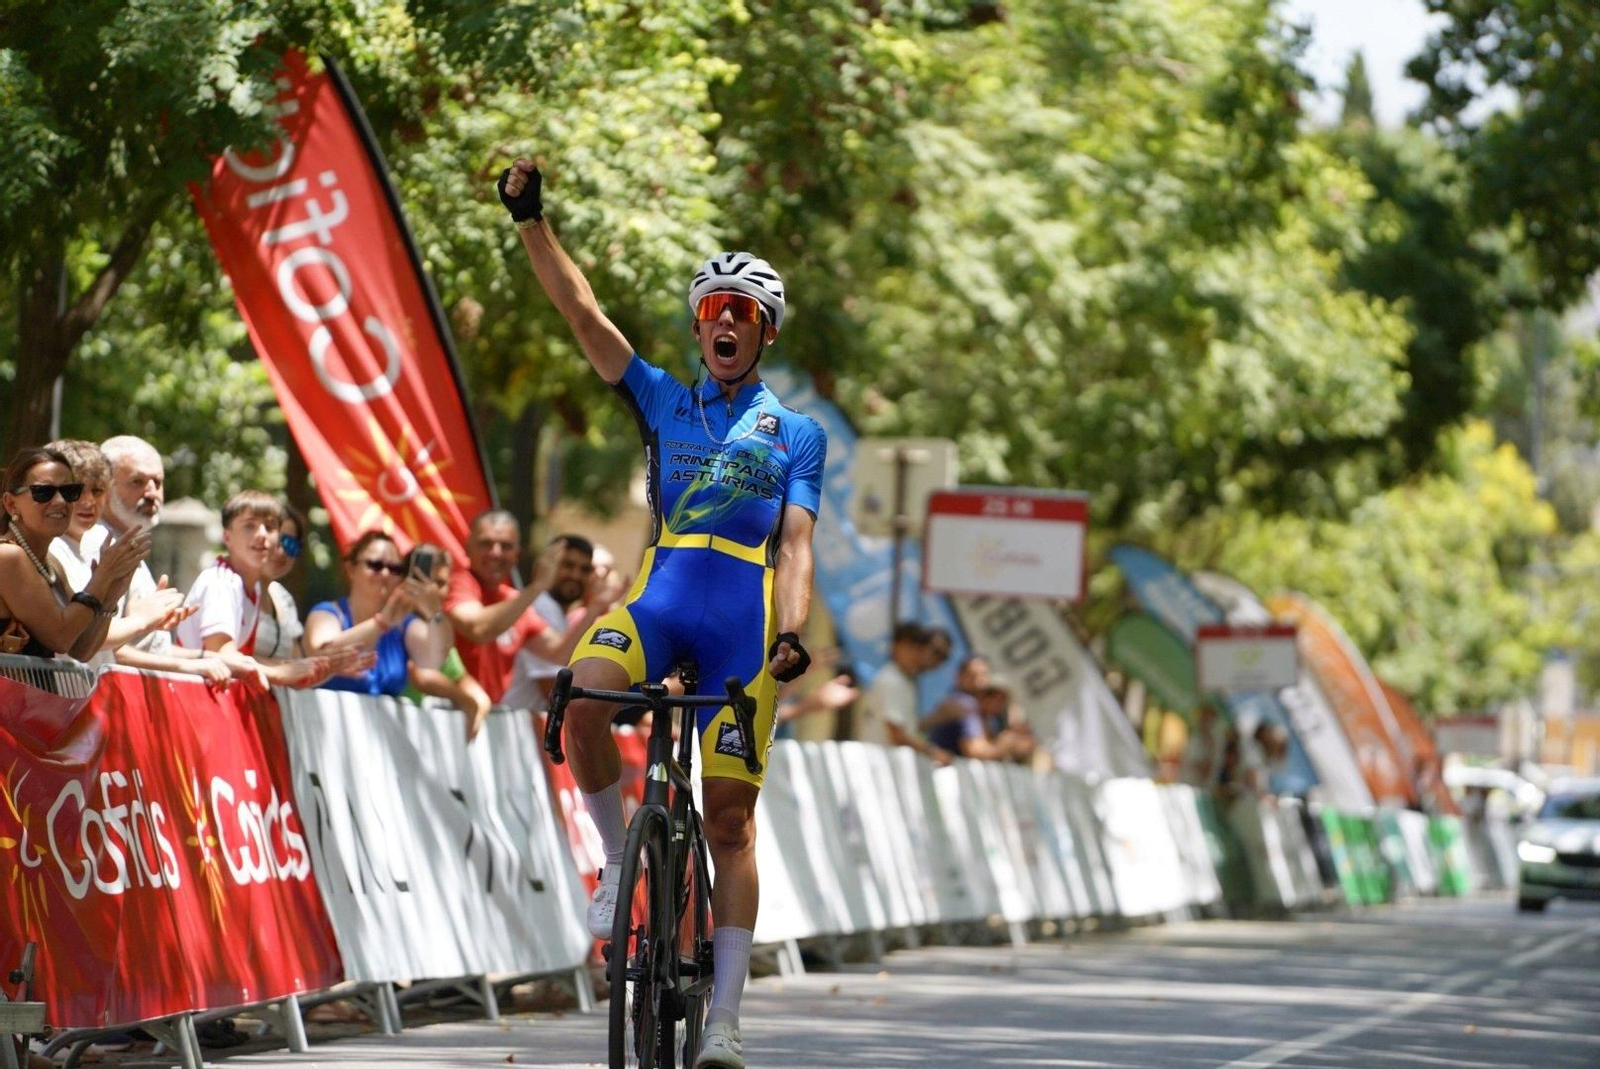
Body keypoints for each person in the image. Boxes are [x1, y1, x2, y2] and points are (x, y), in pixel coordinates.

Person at [500, 157, 827, 1068]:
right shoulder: (662, 399)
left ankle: (722, 1019)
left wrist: (791, 634)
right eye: (713, 311)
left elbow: (794, 547)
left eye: (744, 314)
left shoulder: (797, 433)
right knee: (586, 695)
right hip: (661, 596)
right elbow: (582, 314)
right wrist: (532, 220)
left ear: (764, 333)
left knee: (729, 821)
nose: (725, 323)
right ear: (697, 325)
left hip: (741, 627)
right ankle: (615, 856)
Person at [174, 490, 354, 687]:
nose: (261, 535)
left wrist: (310, 668)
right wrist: (279, 673)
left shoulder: (253, 589)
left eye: (269, 527)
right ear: (227, 537)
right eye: (249, 526)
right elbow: (221, 657)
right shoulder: (221, 582)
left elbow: (245, 657)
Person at [95, 436, 231, 683]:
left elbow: (146, 649)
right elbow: (105, 650)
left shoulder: (129, 542)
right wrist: (189, 666)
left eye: (157, 482)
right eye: (137, 481)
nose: (151, 493)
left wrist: (206, 657)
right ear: (104, 486)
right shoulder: (99, 546)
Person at [446, 511, 618, 704]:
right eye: (486, 543)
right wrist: (537, 586)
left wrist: (595, 607)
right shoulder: (457, 582)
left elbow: (558, 653)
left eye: (506, 546)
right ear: (467, 547)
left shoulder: (514, 599)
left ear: (517, 554)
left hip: (490, 717)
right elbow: (478, 629)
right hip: (444, 715)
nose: (496, 553)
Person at [44, 439, 189, 667]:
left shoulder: (93, 546)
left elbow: (92, 640)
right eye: (76, 490)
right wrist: (141, 619)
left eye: (98, 490)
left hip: (91, 695)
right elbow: (74, 639)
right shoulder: (50, 549)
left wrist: (148, 618)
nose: (89, 500)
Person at [0, 447, 148, 661]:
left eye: (70, 492)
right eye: (44, 492)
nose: (60, 501)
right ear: (11, 504)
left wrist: (111, 595)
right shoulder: (8, 557)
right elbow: (59, 637)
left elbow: (80, 649)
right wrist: (103, 575)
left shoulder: (51, 564)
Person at [304, 530, 452, 696]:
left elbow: (433, 660)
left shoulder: (403, 623)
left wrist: (434, 614)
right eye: (375, 565)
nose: (385, 573)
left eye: (395, 568)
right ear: (351, 569)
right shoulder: (328, 613)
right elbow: (320, 656)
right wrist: (381, 624)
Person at [399, 544, 494, 741]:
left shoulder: (438, 630)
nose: (433, 590)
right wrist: (465, 700)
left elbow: (465, 682)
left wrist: (478, 701)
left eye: (441, 583)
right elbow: (421, 674)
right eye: (426, 580)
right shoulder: (394, 623)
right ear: (406, 580)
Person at [502, 533, 598, 712]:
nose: (575, 575)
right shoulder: (542, 605)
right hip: (513, 723)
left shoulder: (557, 611)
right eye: (567, 565)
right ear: (548, 565)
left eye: (585, 569)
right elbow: (552, 689)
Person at [856, 622, 952, 764]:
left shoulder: (906, 681)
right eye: (911, 646)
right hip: (877, 765)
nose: (918, 653)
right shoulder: (892, 679)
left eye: (920, 647)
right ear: (898, 646)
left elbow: (907, 729)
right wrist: (932, 752)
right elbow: (897, 735)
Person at [922, 654, 1029, 762]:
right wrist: (1002, 746)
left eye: (984, 675)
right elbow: (974, 751)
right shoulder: (964, 703)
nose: (979, 682)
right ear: (959, 677)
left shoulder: (988, 716)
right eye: (972, 676)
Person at [255, 502, 309, 661]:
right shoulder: (228, 587)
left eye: (290, 544)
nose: (280, 552)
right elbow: (225, 657)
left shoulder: (282, 597)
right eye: (276, 541)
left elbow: (297, 665)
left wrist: (328, 667)